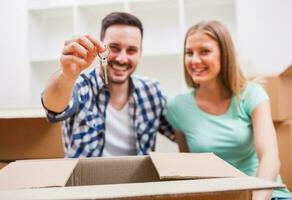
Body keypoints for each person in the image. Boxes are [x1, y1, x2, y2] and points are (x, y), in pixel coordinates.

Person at [166, 20, 292, 200]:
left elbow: (269, 157)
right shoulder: (177, 107)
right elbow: (189, 168)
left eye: (205, 51)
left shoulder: (251, 95)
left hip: (263, 194)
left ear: (225, 55)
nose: (194, 60)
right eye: (189, 53)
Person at [41, 12, 175, 158]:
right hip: (87, 180)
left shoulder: (152, 91)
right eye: (114, 48)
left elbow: (181, 131)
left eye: (131, 50)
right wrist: (67, 76)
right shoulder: (81, 84)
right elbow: (54, 108)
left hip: (139, 180)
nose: (122, 59)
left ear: (140, 54)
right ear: (100, 47)